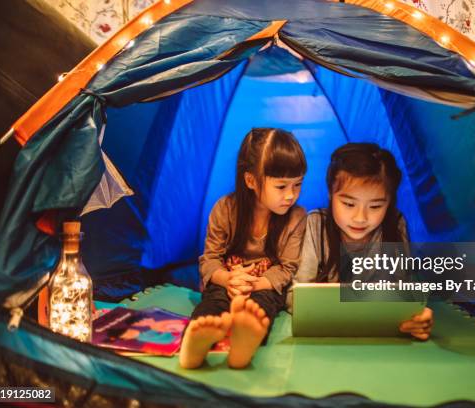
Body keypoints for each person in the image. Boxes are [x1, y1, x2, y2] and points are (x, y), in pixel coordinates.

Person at [180, 128, 307, 369]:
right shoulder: (225, 209)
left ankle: (244, 347)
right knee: (211, 306)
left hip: (265, 286)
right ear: (250, 181)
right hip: (228, 281)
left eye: (297, 185)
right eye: (281, 187)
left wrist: (255, 284)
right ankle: (194, 347)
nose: (291, 195)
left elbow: (288, 267)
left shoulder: (297, 217)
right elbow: (209, 260)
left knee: (261, 309)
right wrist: (227, 280)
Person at [288, 143, 433, 340]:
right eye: (348, 204)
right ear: (331, 193)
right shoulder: (317, 223)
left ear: (389, 202)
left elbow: (403, 293)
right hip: (326, 336)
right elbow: (297, 294)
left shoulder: (395, 225)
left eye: (375, 206)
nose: (360, 217)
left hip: (380, 337)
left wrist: (416, 318)